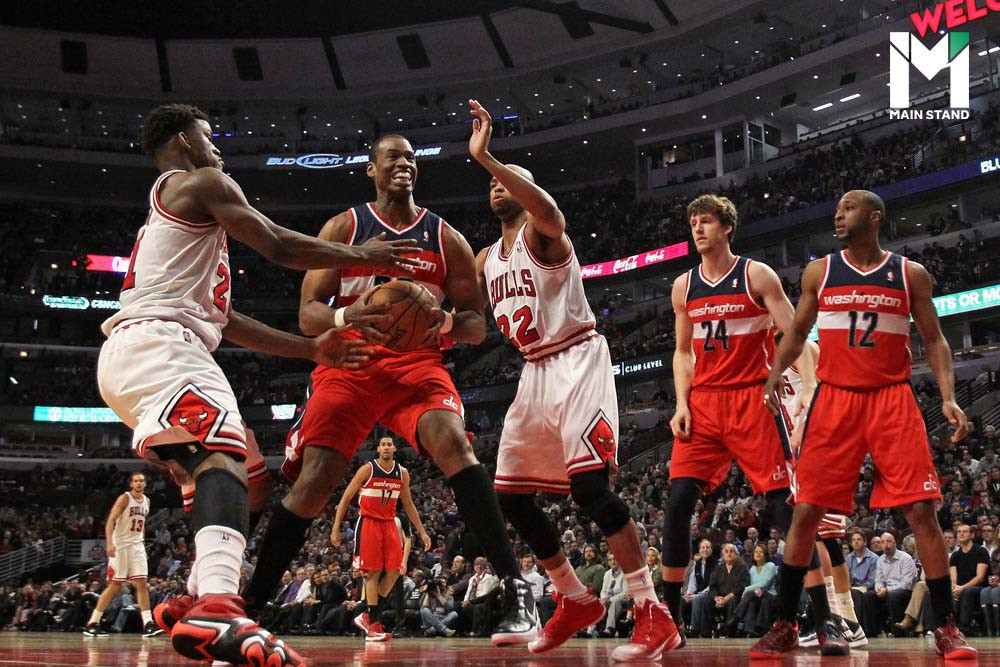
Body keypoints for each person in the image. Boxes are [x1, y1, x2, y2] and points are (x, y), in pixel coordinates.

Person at [96, 104, 415, 666]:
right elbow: (278, 244)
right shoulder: (203, 181)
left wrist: (312, 348)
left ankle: (196, 596)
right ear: (183, 141)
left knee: (251, 482)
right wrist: (361, 254)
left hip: (154, 351)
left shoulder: (182, 226)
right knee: (222, 460)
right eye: (208, 135)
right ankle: (219, 607)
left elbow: (227, 320)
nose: (217, 146)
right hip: (161, 346)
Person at [244, 131, 539, 647]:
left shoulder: (445, 238)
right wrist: (347, 315)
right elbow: (308, 314)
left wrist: (441, 322)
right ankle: (251, 607)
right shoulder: (345, 227)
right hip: (351, 361)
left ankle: (517, 589)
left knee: (455, 443)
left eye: (409, 157)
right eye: (392, 157)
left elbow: (476, 325)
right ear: (371, 169)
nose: (403, 163)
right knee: (315, 480)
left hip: (416, 365)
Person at [469, 99, 676, 660]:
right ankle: (574, 598)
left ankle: (651, 611)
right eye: (491, 182)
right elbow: (468, 319)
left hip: (578, 357)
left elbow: (550, 211)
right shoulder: (487, 258)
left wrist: (488, 157)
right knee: (510, 496)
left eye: (508, 179)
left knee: (590, 490)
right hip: (534, 370)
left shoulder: (544, 235)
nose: (497, 186)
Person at [753, 189, 976, 659]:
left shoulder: (910, 274)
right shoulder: (820, 271)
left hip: (892, 397)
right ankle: (785, 624)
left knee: (922, 512)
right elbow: (796, 331)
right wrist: (774, 374)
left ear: (874, 218)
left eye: (848, 208)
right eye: (836, 209)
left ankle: (946, 627)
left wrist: (949, 397)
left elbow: (935, 339)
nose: (838, 215)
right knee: (806, 512)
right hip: (835, 398)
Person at [662, 193, 799, 647]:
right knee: (677, 504)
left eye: (706, 221)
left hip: (751, 399)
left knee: (782, 505)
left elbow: (793, 332)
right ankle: (669, 620)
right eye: (693, 223)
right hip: (703, 403)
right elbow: (683, 352)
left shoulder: (756, 275)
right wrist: (681, 403)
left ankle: (806, 616)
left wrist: (781, 377)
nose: (698, 229)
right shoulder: (684, 286)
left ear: (726, 228)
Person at [777, 333, 867, 648]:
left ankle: (840, 620)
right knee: (824, 538)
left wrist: (811, 430)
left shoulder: (806, 348)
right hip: (798, 447)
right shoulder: (769, 354)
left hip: (818, 440)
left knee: (823, 538)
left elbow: (828, 394)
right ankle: (844, 620)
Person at [330, 436, 430, 641]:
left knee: (395, 571)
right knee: (372, 573)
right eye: (383, 444)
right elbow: (346, 498)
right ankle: (373, 623)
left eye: (389, 444)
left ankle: (368, 616)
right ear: (378, 449)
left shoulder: (402, 473)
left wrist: (422, 531)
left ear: (394, 449)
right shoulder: (367, 469)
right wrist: (335, 527)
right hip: (369, 522)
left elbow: (409, 504)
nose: (386, 447)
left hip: (389, 523)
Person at [83, 472, 161, 638]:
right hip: (121, 545)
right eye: (136, 481)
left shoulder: (147, 501)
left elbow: (142, 526)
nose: (139, 483)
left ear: (145, 484)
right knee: (115, 585)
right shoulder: (125, 498)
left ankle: (148, 623)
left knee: (141, 583)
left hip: (137, 546)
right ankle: (93, 623)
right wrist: (109, 543)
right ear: (131, 484)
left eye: (141, 481)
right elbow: (110, 521)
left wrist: (142, 544)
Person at [862, 532, 917, 638]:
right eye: (883, 542)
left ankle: (898, 631)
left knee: (893, 595)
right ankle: (872, 631)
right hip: (886, 591)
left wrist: (887, 590)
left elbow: (906, 584)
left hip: (905, 591)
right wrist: (879, 589)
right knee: (868, 595)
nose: (886, 545)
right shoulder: (880, 560)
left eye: (889, 542)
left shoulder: (905, 558)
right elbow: (879, 580)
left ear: (895, 543)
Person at [950, 524, 989, 634]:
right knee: (931, 593)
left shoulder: (981, 551)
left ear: (972, 535)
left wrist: (962, 588)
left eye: (965, 531)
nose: (961, 534)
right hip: (959, 588)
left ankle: (963, 628)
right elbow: (953, 578)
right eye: (959, 532)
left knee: (967, 591)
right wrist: (954, 588)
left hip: (979, 588)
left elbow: (980, 577)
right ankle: (934, 628)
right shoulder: (955, 555)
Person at [735, 545, 777, 637]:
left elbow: (764, 583)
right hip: (757, 594)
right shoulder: (752, 569)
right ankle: (750, 630)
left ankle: (736, 616)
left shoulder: (771, 566)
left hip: (770, 594)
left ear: (765, 554)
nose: (758, 554)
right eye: (756, 552)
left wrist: (746, 589)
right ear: (753, 555)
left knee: (749, 594)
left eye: (761, 552)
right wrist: (752, 590)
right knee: (751, 602)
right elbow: (753, 585)